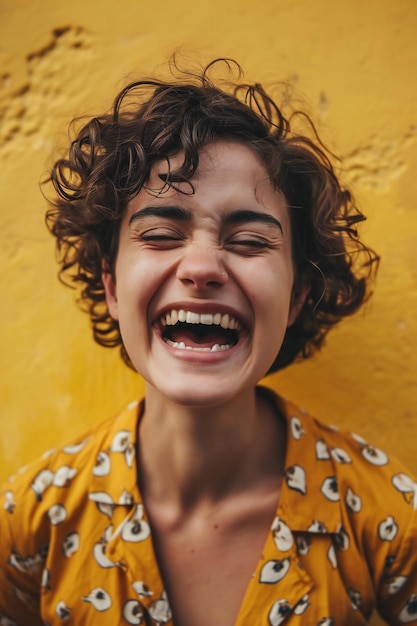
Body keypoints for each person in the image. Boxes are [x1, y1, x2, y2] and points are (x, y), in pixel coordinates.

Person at [0, 58, 416, 626]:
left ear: (295, 297)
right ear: (113, 285)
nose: (200, 266)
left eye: (248, 240)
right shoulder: (30, 524)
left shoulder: (390, 523)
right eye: (162, 234)